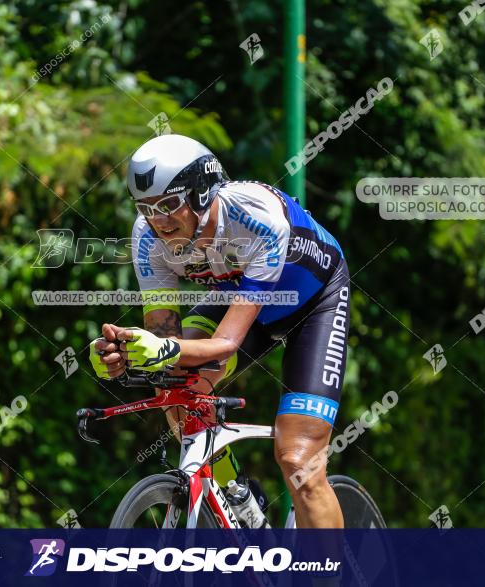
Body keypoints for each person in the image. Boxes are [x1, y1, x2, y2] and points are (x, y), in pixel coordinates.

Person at [89, 134, 349, 528]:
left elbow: (225, 346)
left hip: (314, 303)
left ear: (201, 194)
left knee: (298, 459)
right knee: (174, 387)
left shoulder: (256, 217)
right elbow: (166, 343)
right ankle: (238, 493)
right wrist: (122, 355)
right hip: (242, 297)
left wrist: (166, 350)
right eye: (145, 207)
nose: (157, 220)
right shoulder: (148, 238)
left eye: (169, 204)